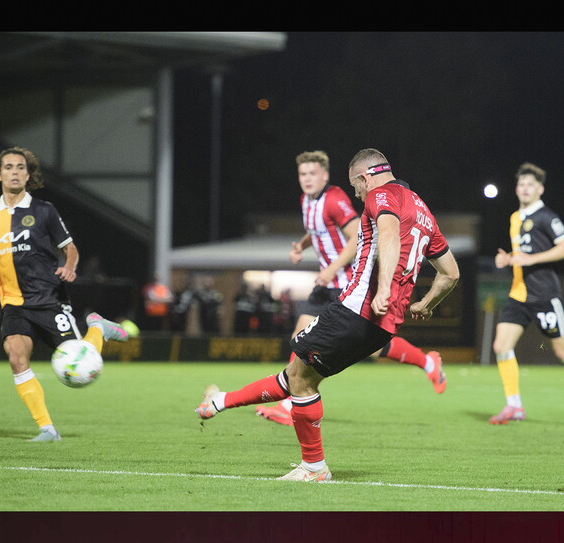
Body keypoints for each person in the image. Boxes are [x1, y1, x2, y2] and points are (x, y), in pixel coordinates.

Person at [196, 149, 460, 481]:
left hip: (357, 308)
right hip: (384, 322)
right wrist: (427, 303)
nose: (357, 194)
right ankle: (219, 401)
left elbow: (389, 235)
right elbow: (450, 273)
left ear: (364, 178)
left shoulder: (381, 194)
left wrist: (382, 288)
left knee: (301, 377)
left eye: (356, 187)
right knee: (298, 372)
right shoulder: (422, 209)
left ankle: (313, 467)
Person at [0, 147, 130, 442]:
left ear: (28, 175)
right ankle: (47, 429)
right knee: (17, 357)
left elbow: (69, 248)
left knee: (81, 362)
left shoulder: (44, 210)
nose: (14, 172)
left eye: (20, 167)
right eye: (8, 167)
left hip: (49, 300)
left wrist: (70, 266)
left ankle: (97, 327)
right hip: (13, 304)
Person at [255, 150, 448, 427]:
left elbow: (357, 235)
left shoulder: (335, 199)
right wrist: (302, 245)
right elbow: (317, 229)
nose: (307, 179)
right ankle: (427, 363)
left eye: (312, 174)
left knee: (364, 345)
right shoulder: (306, 202)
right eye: (302, 174)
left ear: (325, 175)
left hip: (346, 281)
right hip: (326, 284)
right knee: (308, 337)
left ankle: (290, 400)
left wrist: (333, 268)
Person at [488, 162, 564, 429]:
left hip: (544, 296)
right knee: (501, 346)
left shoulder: (547, 217)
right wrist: (509, 259)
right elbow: (522, 255)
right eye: (521, 184)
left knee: (563, 351)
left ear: (540, 189)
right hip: (518, 295)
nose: (525, 188)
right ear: (516, 189)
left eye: (530, 185)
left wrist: (530, 259)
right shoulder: (515, 218)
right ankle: (514, 405)